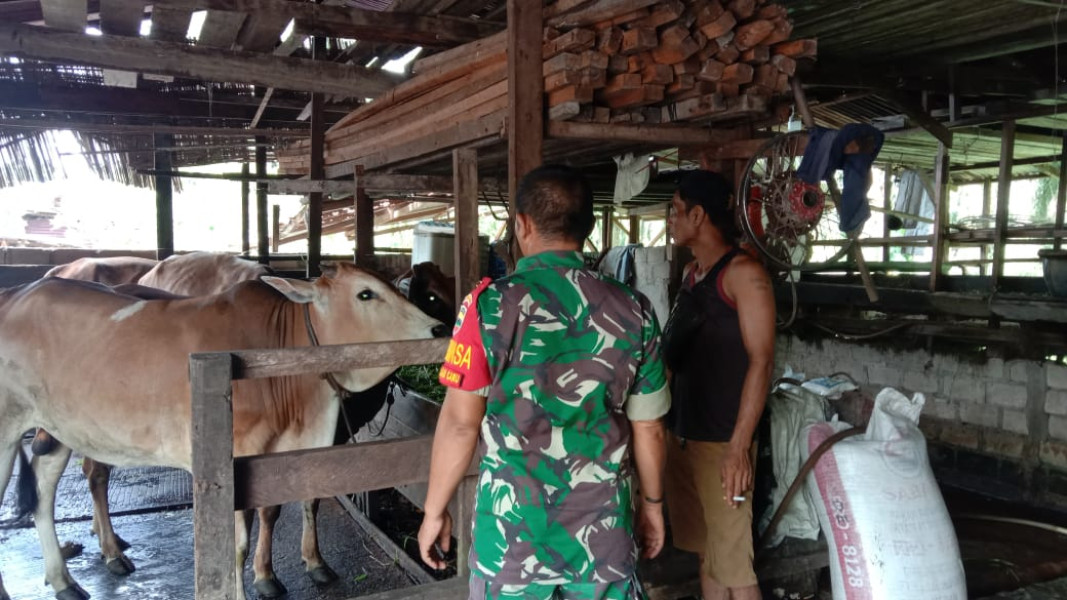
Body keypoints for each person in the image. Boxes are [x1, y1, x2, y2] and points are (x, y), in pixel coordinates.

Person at [418, 164, 670, 600]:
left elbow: (460, 425)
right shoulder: (636, 309)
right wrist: (652, 505)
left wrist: (433, 511)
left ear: (522, 224)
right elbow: (650, 427)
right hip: (602, 541)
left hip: (511, 543)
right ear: (588, 227)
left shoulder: (486, 308)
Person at [662, 170, 776, 600]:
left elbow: (761, 362)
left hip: (722, 442)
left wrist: (738, 447)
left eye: (675, 211)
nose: (670, 220)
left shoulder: (743, 274)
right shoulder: (692, 274)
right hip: (685, 435)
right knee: (707, 553)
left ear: (698, 214)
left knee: (735, 564)